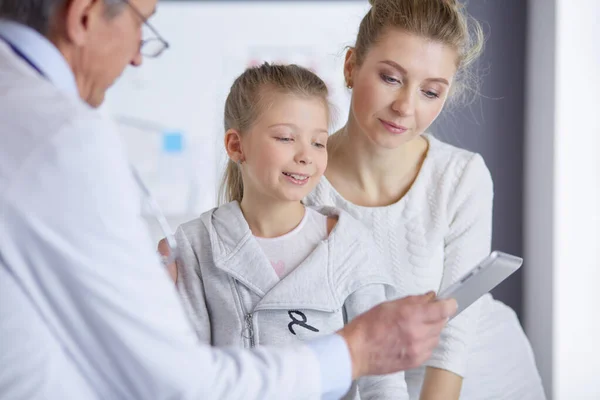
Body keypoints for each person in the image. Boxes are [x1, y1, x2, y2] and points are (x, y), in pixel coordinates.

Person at [0, 1, 457, 399]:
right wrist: (354, 351)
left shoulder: (351, 245)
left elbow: (385, 387)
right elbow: (178, 378)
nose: (139, 56)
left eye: (319, 142)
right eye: (143, 23)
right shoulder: (68, 143)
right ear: (84, 15)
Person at [303, 0, 546, 399]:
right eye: (391, 78)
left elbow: (454, 341)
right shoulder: (300, 179)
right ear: (351, 66)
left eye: (431, 91)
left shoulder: (460, 177)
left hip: (480, 376)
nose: (405, 107)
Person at [168, 62, 410, 399]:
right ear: (237, 145)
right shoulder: (196, 244)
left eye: (318, 143)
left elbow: (382, 377)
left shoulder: (349, 244)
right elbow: (185, 370)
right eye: (285, 138)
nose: (305, 157)